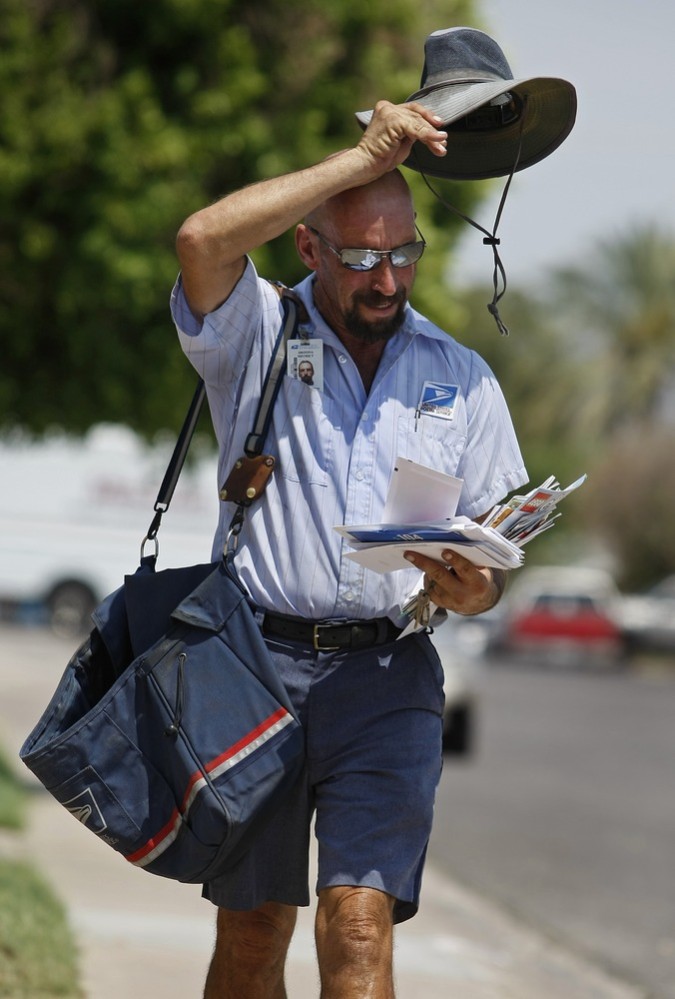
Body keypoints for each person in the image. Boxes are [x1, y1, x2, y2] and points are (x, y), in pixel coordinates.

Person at [171, 97, 528, 998]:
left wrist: (471, 592)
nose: (385, 278)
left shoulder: (460, 375)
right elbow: (201, 239)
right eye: (361, 255)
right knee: (253, 929)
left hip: (389, 678)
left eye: (402, 253)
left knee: (358, 924)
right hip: (256, 666)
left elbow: (492, 563)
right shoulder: (254, 332)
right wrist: (356, 160)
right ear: (308, 247)